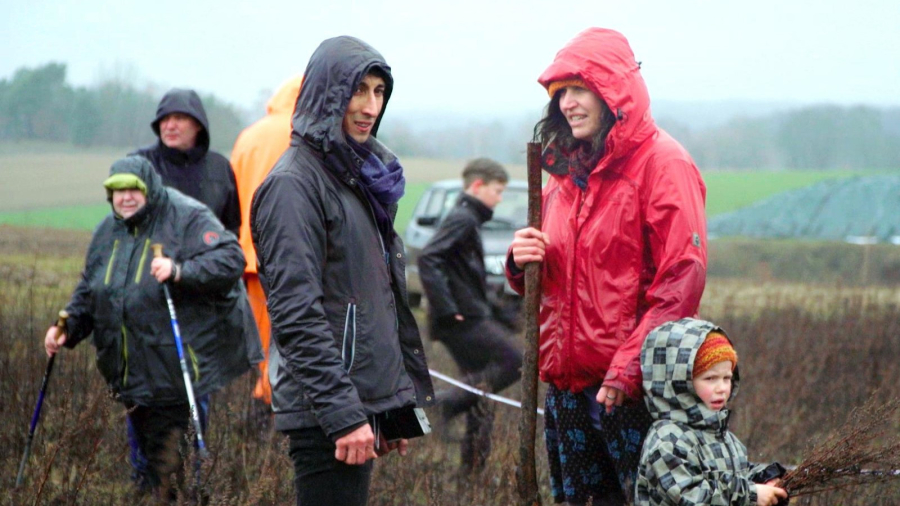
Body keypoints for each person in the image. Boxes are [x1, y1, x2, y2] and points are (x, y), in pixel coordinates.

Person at [507, 27, 708, 506]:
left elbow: (681, 280)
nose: (567, 104)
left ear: (613, 90)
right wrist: (521, 263)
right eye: (560, 94)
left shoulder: (663, 164)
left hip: (630, 393)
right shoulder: (565, 175)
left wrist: (626, 371)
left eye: (579, 89)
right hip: (567, 392)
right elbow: (560, 278)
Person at [250, 36, 434, 506]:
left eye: (378, 92)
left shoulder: (354, 178)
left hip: (352, 402)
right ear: (327, 94)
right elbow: (297, 314)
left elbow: (371, 300)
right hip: (323, 410)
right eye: (358, 90)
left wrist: (387, 407)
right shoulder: (294, 185)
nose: (369, 105)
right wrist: (344, 415)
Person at [44, 155, 262, 500]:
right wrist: (67, 326)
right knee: (145, 469)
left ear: (150, 189)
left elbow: (230, 258)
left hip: (177, 368)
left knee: (173, 471)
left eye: (134, 189)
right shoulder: (108, 231)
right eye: (117, 190)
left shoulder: (186, 216)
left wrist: (180, 271)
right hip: (130, 372)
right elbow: (91, 288)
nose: (125, 197)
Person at [418, 157, 523, 473]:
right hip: (462, 319)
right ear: (478, 186)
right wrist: (447, 309)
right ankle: (442, 406)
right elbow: (428, 258)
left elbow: (468, 276)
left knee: (482, 395)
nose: (499, 198)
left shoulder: (469, 219)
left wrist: (503, 313)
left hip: (471, 313)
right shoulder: (464, 218)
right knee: (513, 362)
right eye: (497, 190)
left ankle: (472, 473)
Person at [637, 318, 789, 506]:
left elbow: (733, 474)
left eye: (727, 378)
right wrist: (749, 495)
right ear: (680, 383)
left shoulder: (721, 434)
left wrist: (765, 478)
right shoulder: (668, 440)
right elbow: (690, 497)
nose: (722, 388)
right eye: (710, 378)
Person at [231, 75, 303, 409]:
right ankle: (283, 415)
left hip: (249, 254)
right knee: (297, 336)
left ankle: (264, 402)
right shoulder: (305, 132)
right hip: (295, 255)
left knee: (263, 339)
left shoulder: (250, 135)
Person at [132, 88, 241, 236]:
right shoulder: (140, 164)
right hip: (154, 255)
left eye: (179, 118)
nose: (170, 126)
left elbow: (232, 228)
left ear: (198, 125)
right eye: (164, 119)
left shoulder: (220, 167)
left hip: (208, 256)